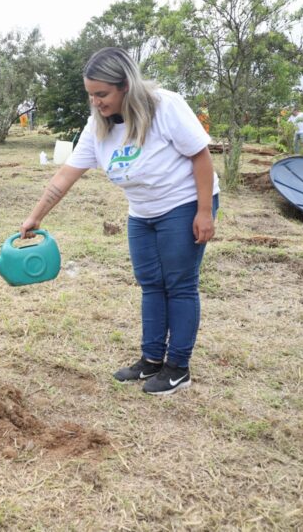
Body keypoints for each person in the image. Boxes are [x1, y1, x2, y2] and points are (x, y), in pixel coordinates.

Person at [20, 47, 220, 396]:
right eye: (91, 95)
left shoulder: (165, 106)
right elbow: (65, 175)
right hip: (142, 211)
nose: (95, 102)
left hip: (183, 203)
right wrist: (35, 216)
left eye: (102, 94)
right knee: (150, 283)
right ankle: (152, 359)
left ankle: (178, 368)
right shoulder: (98, 127)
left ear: (126, 85)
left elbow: (201, 157)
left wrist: (204, 212)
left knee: (179, 284)